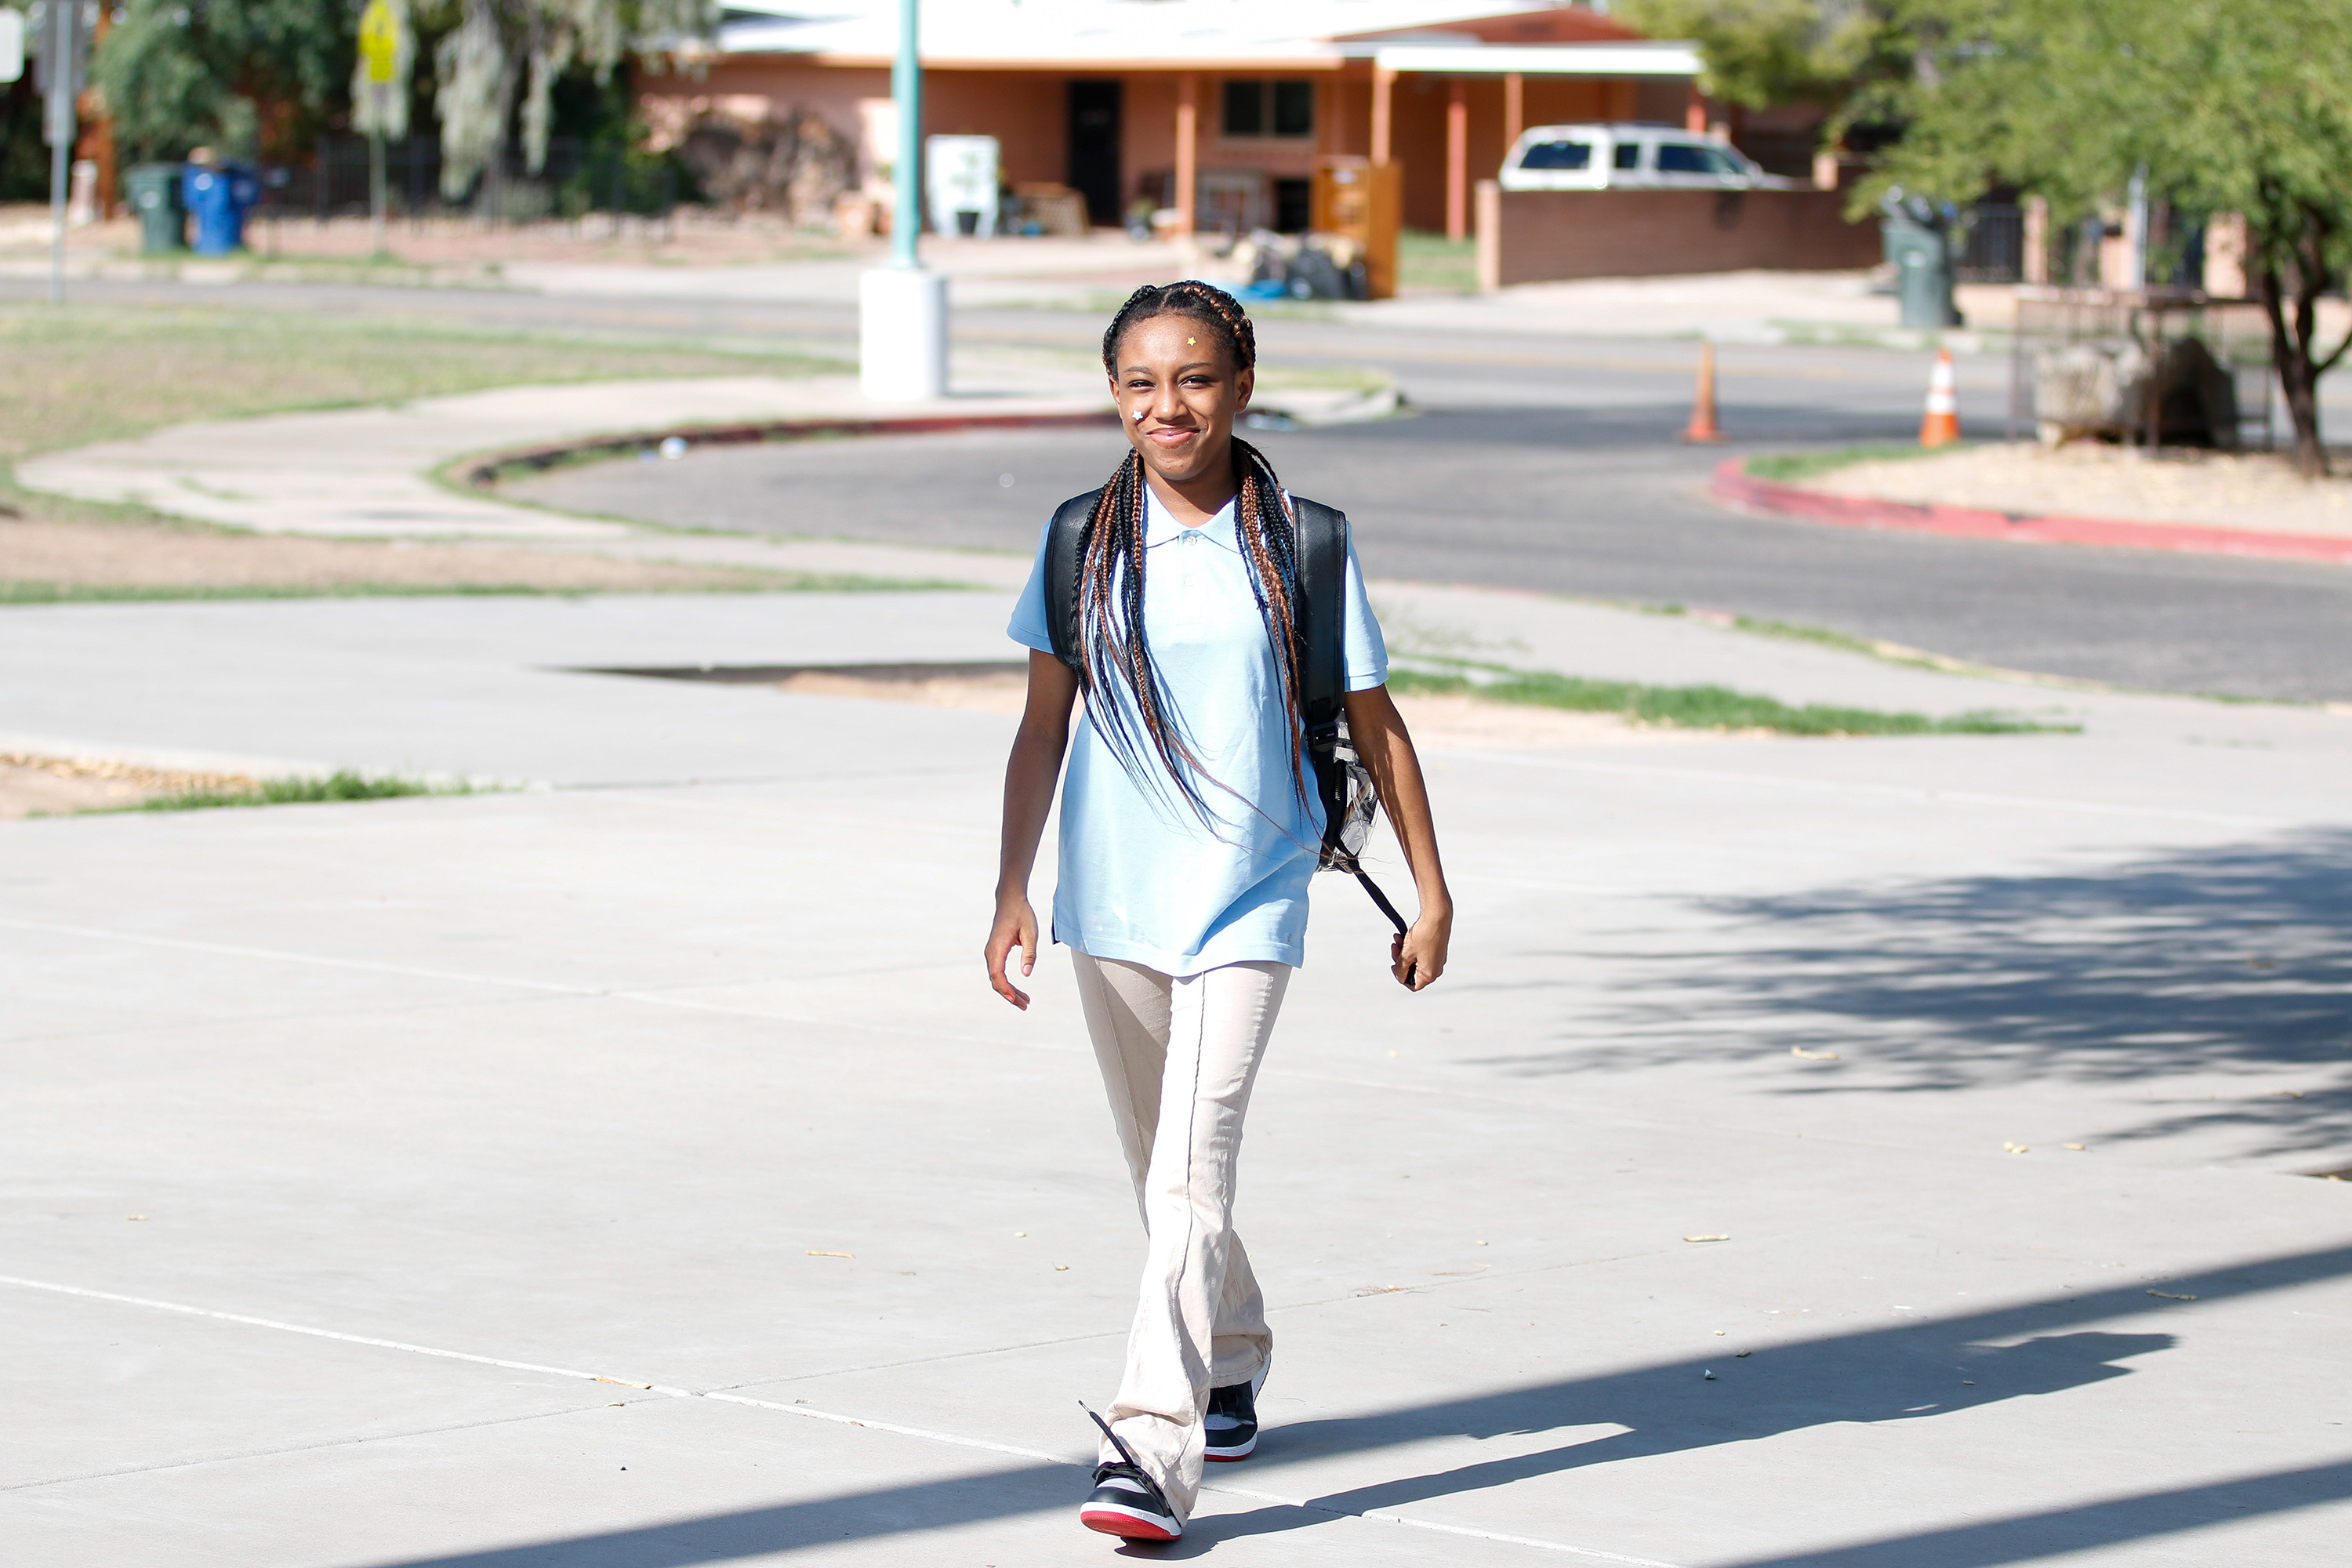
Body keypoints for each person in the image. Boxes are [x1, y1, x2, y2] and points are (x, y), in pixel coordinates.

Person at [984, 280, 1454, 1542]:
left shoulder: (1304, 542)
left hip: (1248, 899)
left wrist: (1432, 885)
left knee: (1191, 1174)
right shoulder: (1084, 536)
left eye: (1192, 379)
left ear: (1241, 386)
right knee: (1163, 1176)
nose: (1166, 406)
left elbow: (1374, 721)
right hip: (1110, 900)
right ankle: (1234, 1350)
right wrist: (1011, 887)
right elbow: (1042, 728)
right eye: (1139, 383)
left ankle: (1152, 1446)